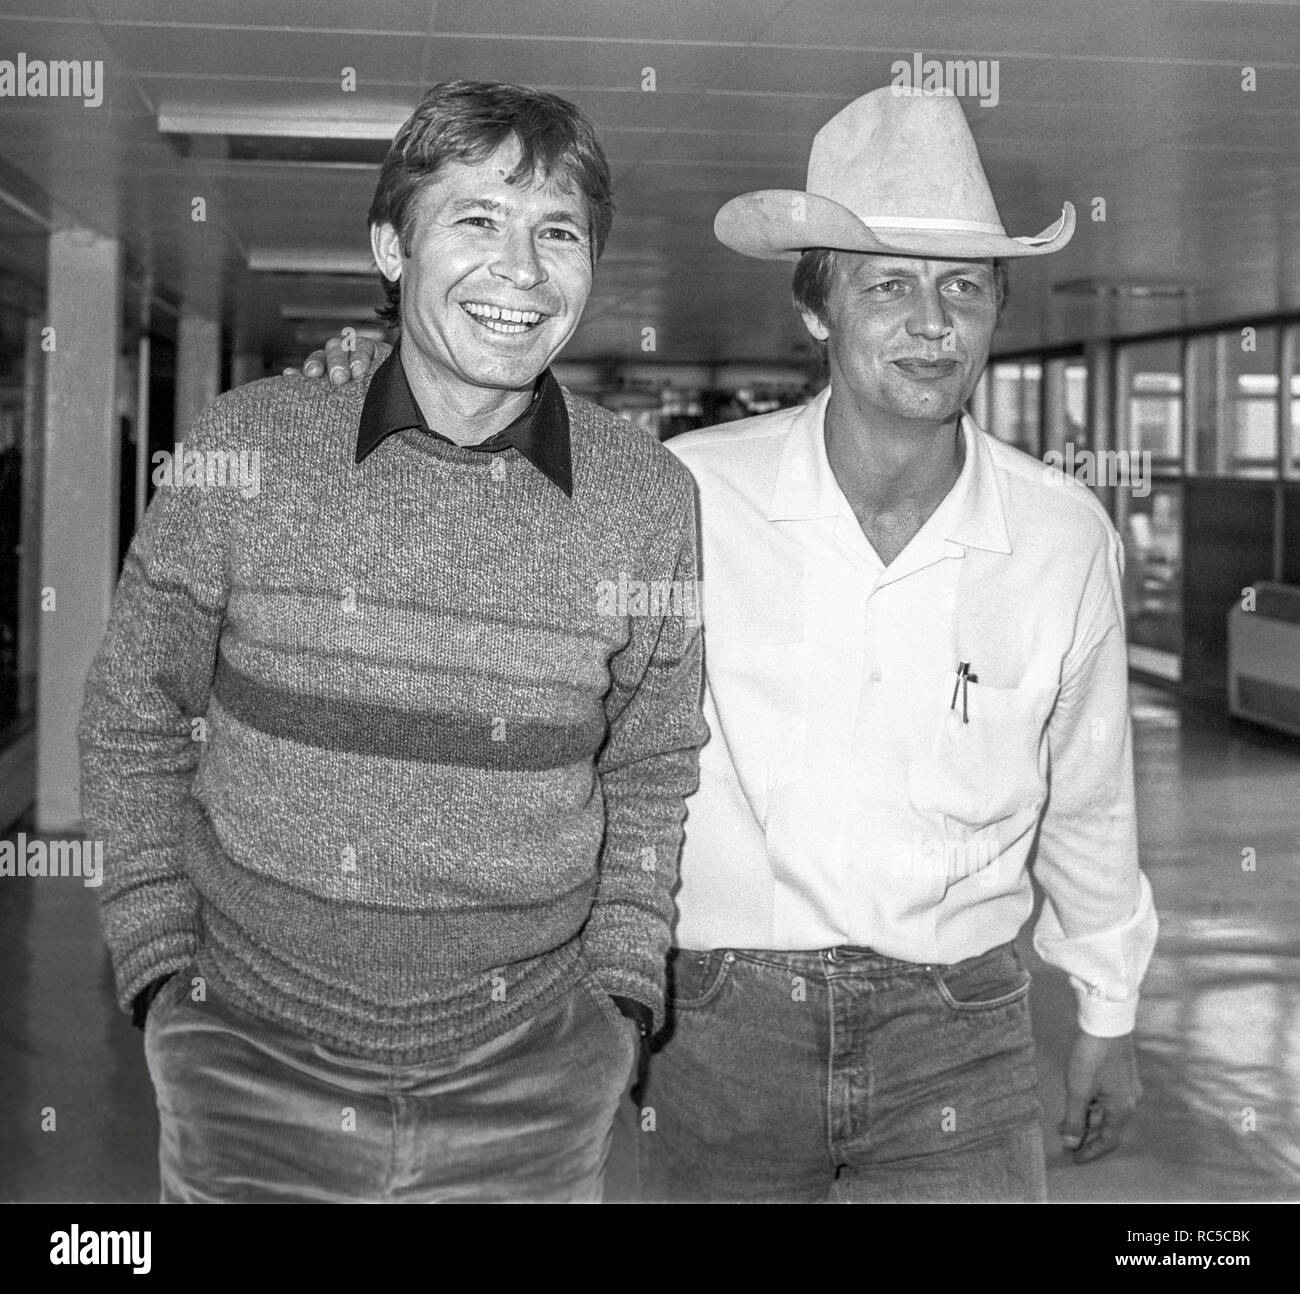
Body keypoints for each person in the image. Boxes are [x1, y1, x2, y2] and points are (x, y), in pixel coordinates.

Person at [301, 86, 1158, 1204]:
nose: (932, 322)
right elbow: (494, 570)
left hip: (962, 1025)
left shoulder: (1058, 537)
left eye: (963, 287)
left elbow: (1090, 793)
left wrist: (1109, 1006)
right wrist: (363, 401)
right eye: (887, 284)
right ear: (816, 308)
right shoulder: (689, 492)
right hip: (714, 1026)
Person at [79, 79, 705, 1204]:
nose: (521, 269)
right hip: (248, 1065)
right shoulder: (246, 450)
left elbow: (651, 764)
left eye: (556, 231)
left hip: (532, 1081)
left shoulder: (648, 499)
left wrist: (620, 999)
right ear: (389, 246)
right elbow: (135, 709)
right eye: (476, 219)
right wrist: (159, 972)